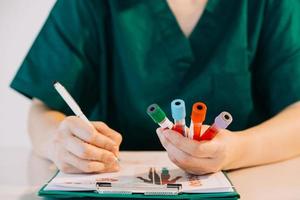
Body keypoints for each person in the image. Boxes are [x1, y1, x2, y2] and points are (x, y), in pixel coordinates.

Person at [10, 0, 300, 174]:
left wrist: (236, 150)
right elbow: (44, 109)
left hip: (244, 183)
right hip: (113, 182)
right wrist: (59, 143)